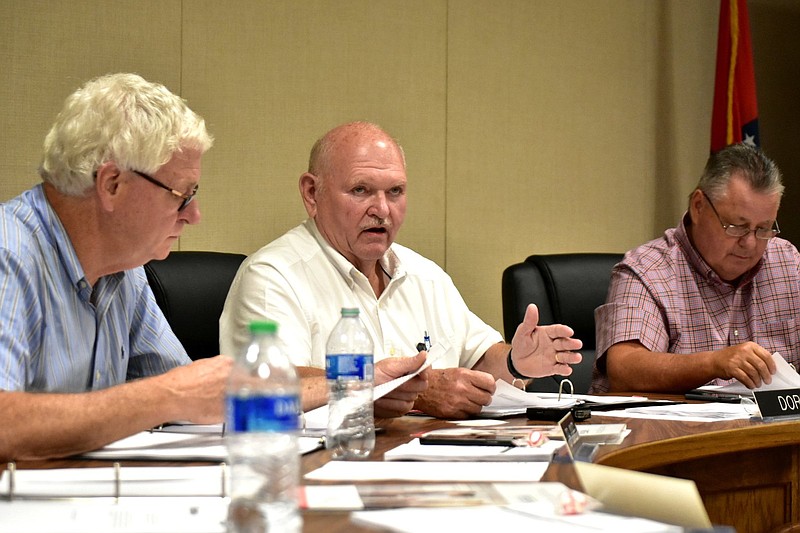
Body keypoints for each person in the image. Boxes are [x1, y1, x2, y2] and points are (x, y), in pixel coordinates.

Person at [220, 121, 583, 419]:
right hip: (326, 471)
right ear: (312, 193)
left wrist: (516, 362)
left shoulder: (426, 276)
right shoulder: (272, 277)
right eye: (361, 190)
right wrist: (417, 392)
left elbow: (480, 360)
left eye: (395, 192)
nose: (382, 210)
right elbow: (268, 382)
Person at [0, 73, 234, 462]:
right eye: (182, 195)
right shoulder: (9, 253)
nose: (194, 215)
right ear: (111, 184)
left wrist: (345, 383)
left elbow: (187, 398)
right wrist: (170, 396)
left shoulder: (125, 269)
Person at [591, 143, 798, 393]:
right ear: (698, 206)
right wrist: (714, 363)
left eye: (764, 229)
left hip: (769, 431)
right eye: (736, 226)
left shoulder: (787, 262)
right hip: (673, 431)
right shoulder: (646, 270)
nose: (750, 243)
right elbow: (625, 368)